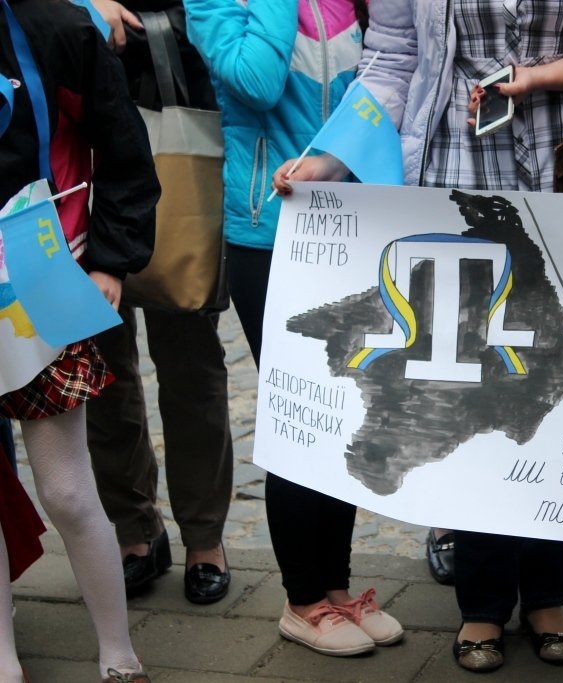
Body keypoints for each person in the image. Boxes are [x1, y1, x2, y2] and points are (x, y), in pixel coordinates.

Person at [272, 0, 563, 673]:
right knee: (471, 396)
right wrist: (329, 159)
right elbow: (390, 59)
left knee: (549, 389)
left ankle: (547, 595)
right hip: (452, 181)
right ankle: (483, 602)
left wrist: (539, 78)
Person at [182, 0, 403, 657]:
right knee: (300, 412)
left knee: (345, 408)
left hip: (347, 225)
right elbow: (255, 81)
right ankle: (302, 599)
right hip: (268, 234)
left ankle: (336, 589)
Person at [0, 0, 161, 679]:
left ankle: (119, 654)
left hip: (39, 282)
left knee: (66, 490)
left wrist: (109, 261)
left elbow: (124, 148)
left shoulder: (59, 29)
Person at [83, 0, 235, 605]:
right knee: (98, 365)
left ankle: (204, 535)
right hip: (79, 123)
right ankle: (134, 529)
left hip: (177, 104)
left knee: (191, 359)